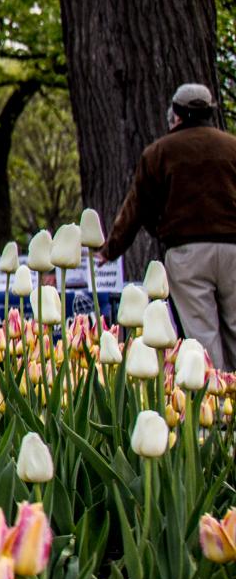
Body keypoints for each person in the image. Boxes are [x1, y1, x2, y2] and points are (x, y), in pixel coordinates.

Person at [98, 83, 236, 369]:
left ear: (176, 114)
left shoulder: (159, 152)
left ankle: (219, 407)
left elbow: (137, 207)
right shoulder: (232, 147)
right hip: (234, 249)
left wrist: (111, 249)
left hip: (186, 254)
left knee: (202, 337)